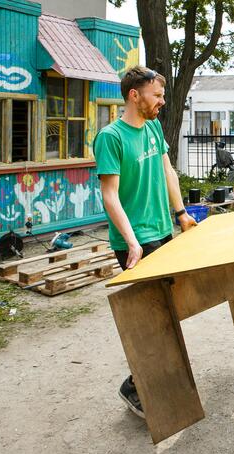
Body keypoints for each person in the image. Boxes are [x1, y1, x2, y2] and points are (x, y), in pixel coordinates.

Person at [94, 66, 197, 418]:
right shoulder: (111, 137)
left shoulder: (153, 128)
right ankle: (135, 385)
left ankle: (153, 378)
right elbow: (110, 195)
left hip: (162, 231)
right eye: (157, 95)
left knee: (168, 308)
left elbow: (168, 171)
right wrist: (131, 241)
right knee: (150, 315)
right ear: (134, 95)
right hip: (135, 241)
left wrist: (181, 213)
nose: (162, 102)